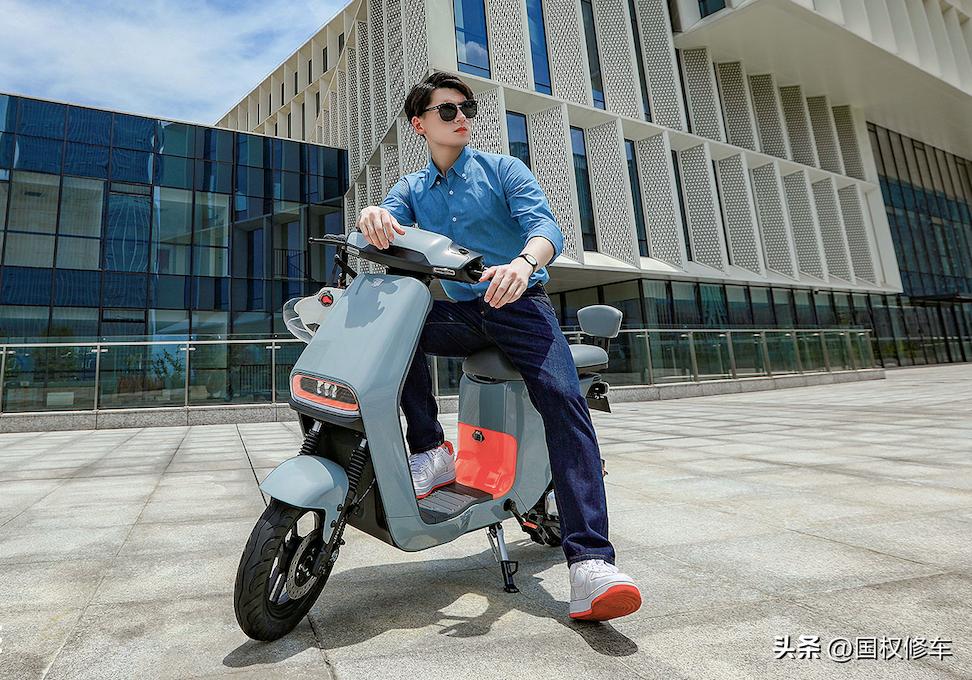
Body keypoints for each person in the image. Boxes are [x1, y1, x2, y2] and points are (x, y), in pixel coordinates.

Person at [357, 72, 641, 622]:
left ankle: (591, 564)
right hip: (465, 312)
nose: (461, 117)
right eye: (447, 110)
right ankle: (432, 452)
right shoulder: (412, 188)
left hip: (520, 304)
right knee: (397, 330)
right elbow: (386, 222)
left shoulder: (504, 169)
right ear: (420, 125)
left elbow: (546, 229)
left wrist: (523, 262)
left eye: (466, 108)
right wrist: (373, 216)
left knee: (563, 401)